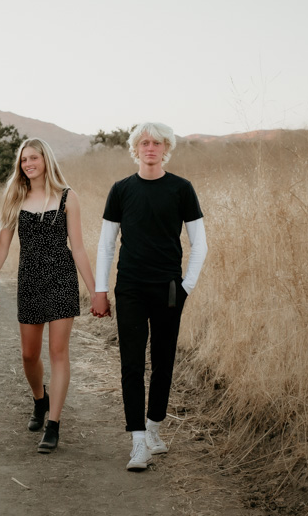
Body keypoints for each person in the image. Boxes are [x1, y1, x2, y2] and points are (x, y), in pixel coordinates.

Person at [91, 122, 208, 471]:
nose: (150, 147)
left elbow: (199, 243)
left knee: (163, 361)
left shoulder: (181, 189)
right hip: (129, 288)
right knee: (131, 363)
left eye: (157, 142)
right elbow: (106, 245)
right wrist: (100, 290)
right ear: (136, 148)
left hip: (169, 289)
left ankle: (154, 428)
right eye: (144, 142)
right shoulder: (121, 190)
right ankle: (138, 442)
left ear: (166, 148)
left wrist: (186, 287)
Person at [0, 138, 97, 453]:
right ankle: (40, 400)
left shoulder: (68, 197)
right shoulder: (15, 196)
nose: (28, 164)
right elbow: (3, 244)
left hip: (61, 279)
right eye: (24, 159)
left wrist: (96, 292)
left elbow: (78, 248)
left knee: (58, 352)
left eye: (34, 158)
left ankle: (53, 424)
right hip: (29, 281)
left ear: (46, 160)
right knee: (29, 355)